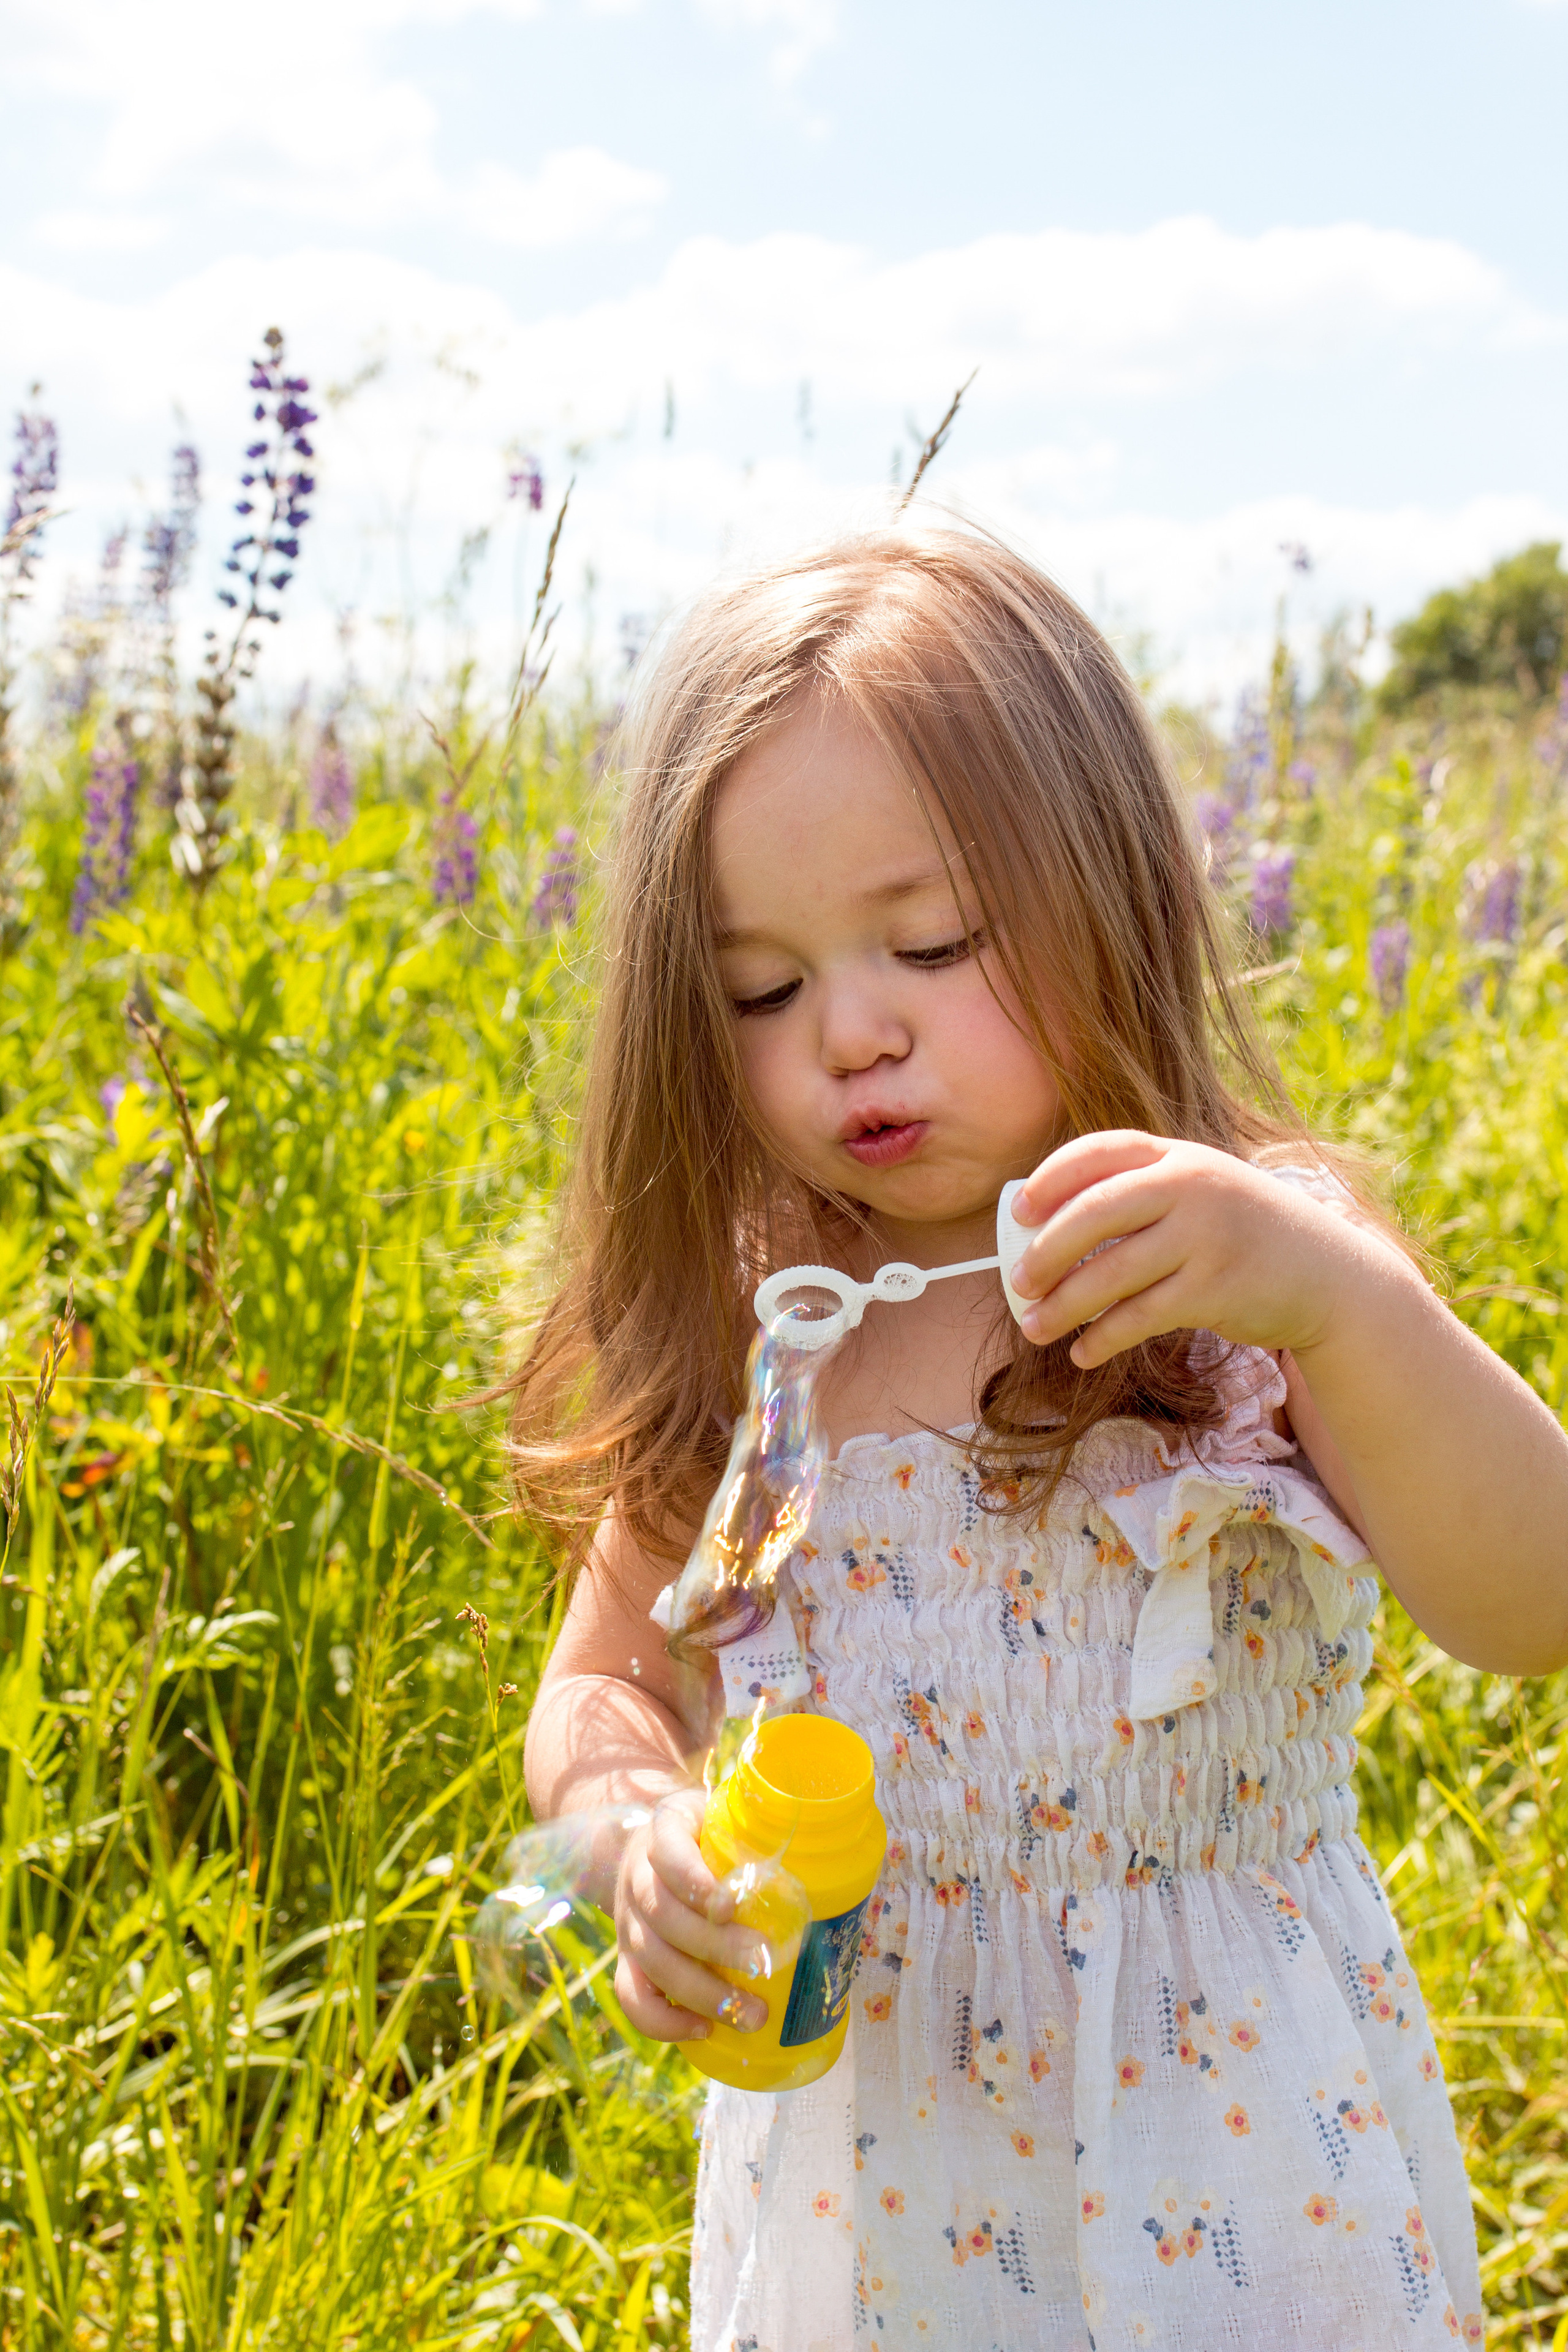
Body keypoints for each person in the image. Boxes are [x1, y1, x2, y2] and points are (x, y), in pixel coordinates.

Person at [519, 525, 1567, 2348]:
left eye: (930, 942)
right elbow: (609, 1676)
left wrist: (1346, 1309)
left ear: (1110, 891)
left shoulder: (1249, 1271)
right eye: (762, 988)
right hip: (879, 2191)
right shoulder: (774, 1334)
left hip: (1235, 2166)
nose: (852, 1031)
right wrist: (635, 1841)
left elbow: (1531, 1601)